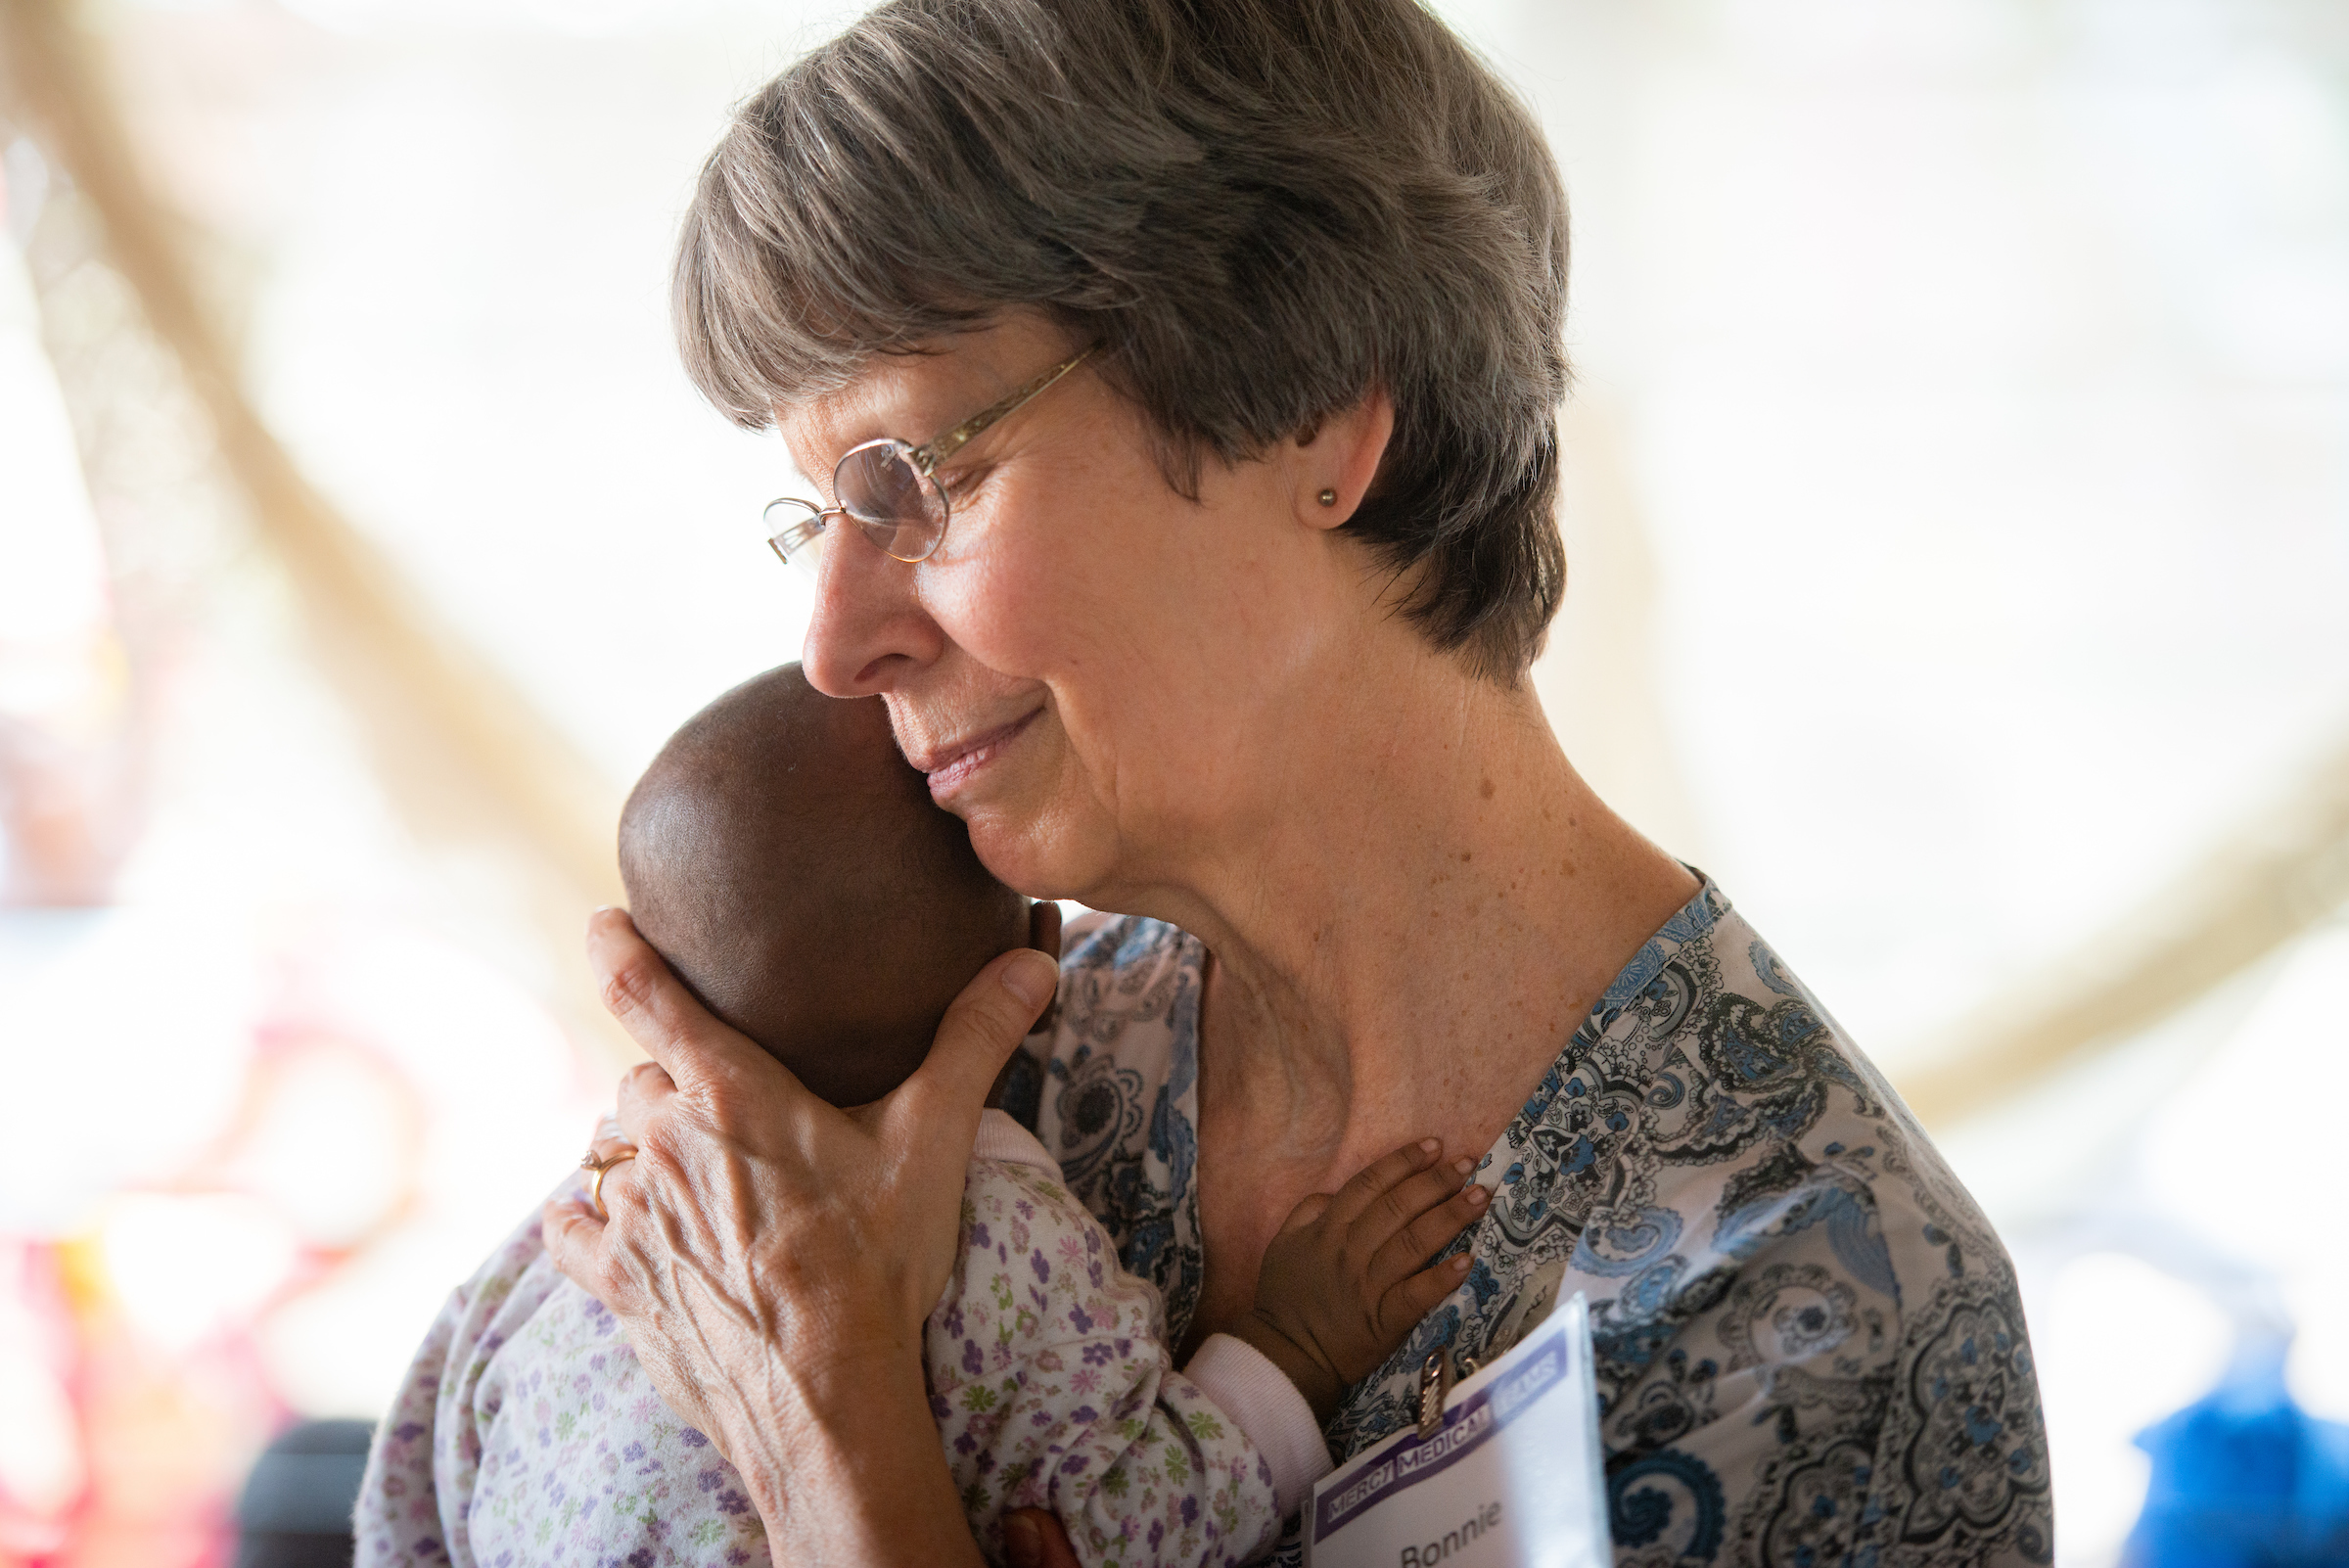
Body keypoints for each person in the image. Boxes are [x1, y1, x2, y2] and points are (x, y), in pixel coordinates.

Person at [544, 1, 2055, 1564]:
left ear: (1319, 419)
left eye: (918, 479)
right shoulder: (961, 1048)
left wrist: (827, 1427)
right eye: (819, 516)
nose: (833, 647)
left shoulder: (1811, 1314)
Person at [354, 667, 1486, 1567]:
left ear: (661, 990)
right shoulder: (1002, 1245)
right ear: (1043, 956)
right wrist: (1289, 1355)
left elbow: (417, 1465)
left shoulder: (608, 1212)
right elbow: (1129, 1526)